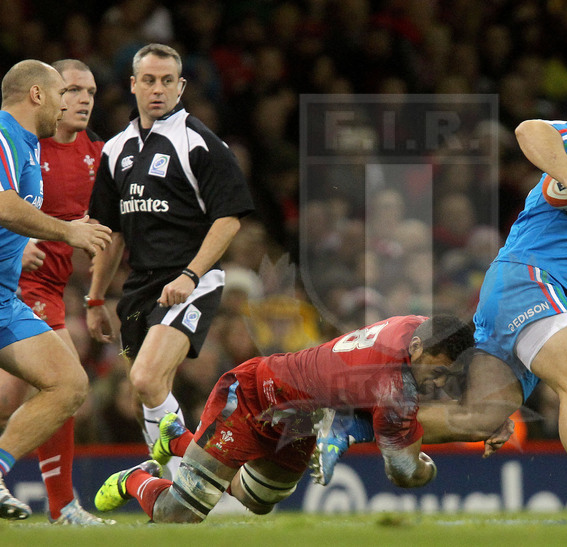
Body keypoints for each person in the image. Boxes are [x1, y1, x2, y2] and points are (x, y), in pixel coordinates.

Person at [318, 119, 567, 520]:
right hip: (530, 278)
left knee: (479, 419)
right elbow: (529, 130)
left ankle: (356, 423)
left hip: (525, 295)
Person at [92, 315, 485, 522]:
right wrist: (428, 470)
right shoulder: (392, 382)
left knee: (258, 501)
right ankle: (137, 478)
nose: (439, 382)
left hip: (303, 421)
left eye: (448, 377)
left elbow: (407, 423)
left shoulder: (416, 328)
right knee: (178, 516)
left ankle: (178, 440)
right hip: (250, 398)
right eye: (438, 371)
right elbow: (401, 467)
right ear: (417, 349)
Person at [85, 43, 254, 479]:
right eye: (148, 80)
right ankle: (174, 484)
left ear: (180, 87)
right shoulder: (114, 151)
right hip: (138, 288)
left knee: (143, 378)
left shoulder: (200, 142)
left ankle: (202, 478)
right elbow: (110, 234)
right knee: (151, 391)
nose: (157, 89)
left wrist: (190, 273)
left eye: (166, 82)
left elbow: (229, 219)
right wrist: (94, 298)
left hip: (189, 280)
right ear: (132, 85)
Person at [0, 59, 112, 520]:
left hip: (7, 300)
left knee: (68, 384)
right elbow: (4, 204)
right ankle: (63, 504)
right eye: (63, 92)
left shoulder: (30, 146)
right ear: (37, 95)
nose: (71, 102)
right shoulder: (4, 134)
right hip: (19, 294)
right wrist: (66, 232)